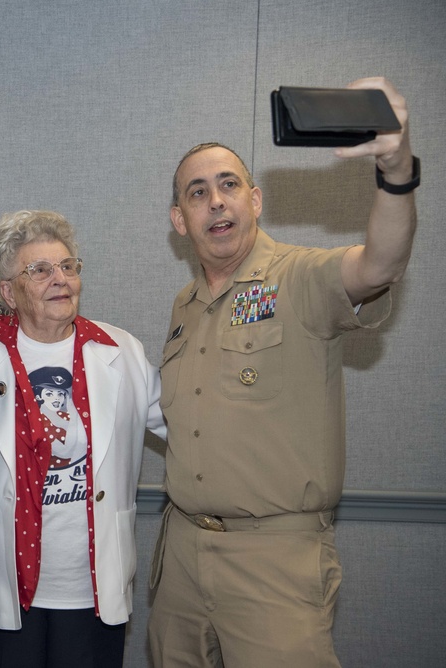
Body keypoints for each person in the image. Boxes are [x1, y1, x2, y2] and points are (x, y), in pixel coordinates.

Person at [148, 77, 418, 668]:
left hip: (273, 561)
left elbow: (379, 263)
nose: (216, 201)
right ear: (179, 218)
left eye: (228, 186)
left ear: (255, 199)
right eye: (197, 193)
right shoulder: (183, 308)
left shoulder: (299, 278)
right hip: (182, 557)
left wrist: (396, 170)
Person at [0, 210, 166, 668]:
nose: (60, 279)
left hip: (91, 586)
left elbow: (188, 426)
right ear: (8, 292)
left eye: (68, 266)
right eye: (40, 270)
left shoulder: (120, 351)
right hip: (1, 583)